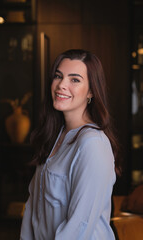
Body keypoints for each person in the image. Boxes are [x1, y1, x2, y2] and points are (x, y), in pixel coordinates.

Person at [20, 49, 120, 240]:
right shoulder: (55, 136)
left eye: (75, 79)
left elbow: (79, 226)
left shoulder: (93, 144)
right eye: (58, 76)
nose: (61, 85)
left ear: (91, 90)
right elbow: (33, 206)